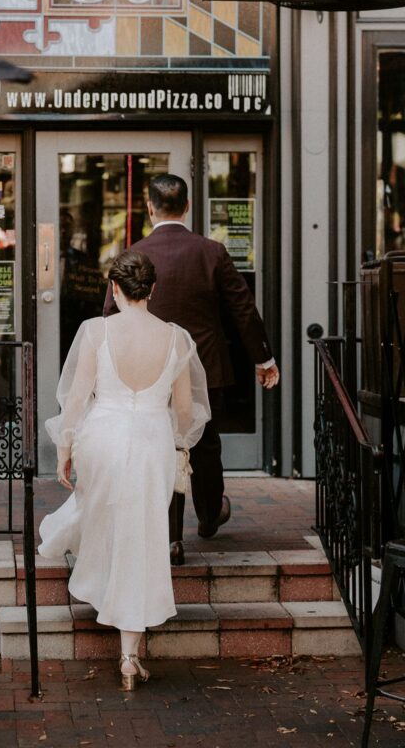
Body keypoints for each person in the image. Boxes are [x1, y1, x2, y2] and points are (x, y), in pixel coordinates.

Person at [39, 249, 210, 689]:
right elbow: (188, 413)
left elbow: (76, 397)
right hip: (153, 440)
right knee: (143, 536)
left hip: (104, 437)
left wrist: (65, 447)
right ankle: (129, 654)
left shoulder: (95, 331)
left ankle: (102, 589)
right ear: (152, 290)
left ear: (114, 289)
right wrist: (175, 442)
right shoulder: (176, 338)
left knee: (106, 517)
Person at [103, 174, 279, 566]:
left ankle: (170, 539)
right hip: (203, 367)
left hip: (147, 369)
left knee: (160, 447)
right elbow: (243, 310)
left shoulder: (133, 253)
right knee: (204, 443)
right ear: (187, 207)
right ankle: (209, 513)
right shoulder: (212, 252)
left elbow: (110, 315)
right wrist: (263, 359)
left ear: (149, 208)